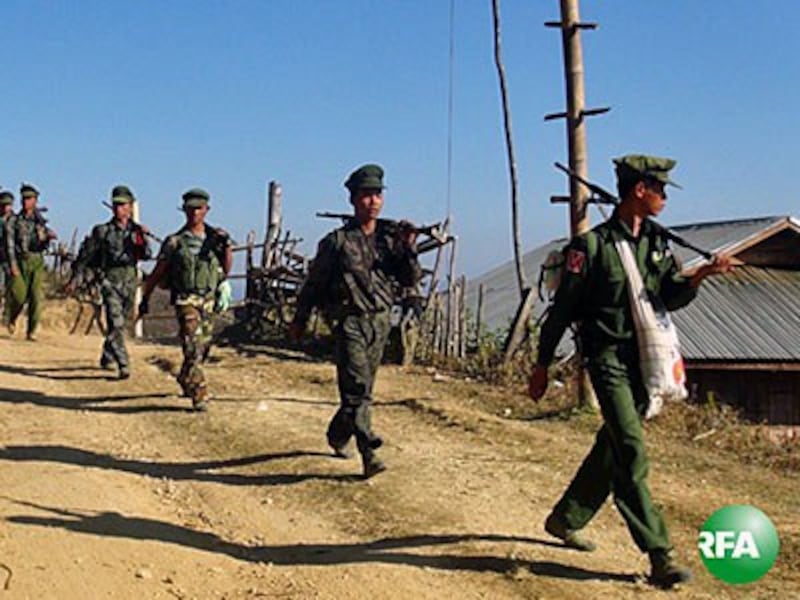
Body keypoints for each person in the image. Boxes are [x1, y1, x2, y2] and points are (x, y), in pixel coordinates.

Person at [528, 155, 732, 588]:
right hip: (607, 359)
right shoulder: (591, 248)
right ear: (639, 190)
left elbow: (668, 296)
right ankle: (660, 554)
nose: (663, 197)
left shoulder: (656, 244)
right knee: (632, 449)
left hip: (645, 358)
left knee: (616, 443)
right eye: (659, 189)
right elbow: (562, 310)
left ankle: (566, 517)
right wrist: (542, 364)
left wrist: (701, 276)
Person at [289, 164, 423, 479]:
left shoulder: (390, 239)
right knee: (358, 387)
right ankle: (369, 450)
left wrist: (409, 248)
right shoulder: (336, 242)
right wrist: (300, 319)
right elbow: (314, 284)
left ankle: (338, 434)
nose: (373, 201)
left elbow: (408, 278)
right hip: (348, 321)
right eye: (366, 195)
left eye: (377, 194)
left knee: (361, 390)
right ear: (352, 199)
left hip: (379, 322)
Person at [139, 188, 232, 411]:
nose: (194, 213)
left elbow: (225, 267)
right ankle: (200, 394)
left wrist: (227, 248)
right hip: (185, 300)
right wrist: (146, 297)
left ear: (206, 210)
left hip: (208, 300)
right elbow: (158, 273)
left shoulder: (216, 239)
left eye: (198, 208)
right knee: (192, 345)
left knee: (202, 349)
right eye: (190, 209)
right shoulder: (175, 242)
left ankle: (185, 376)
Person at [65, 185, 153, 379]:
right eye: (116, 205)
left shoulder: (136, 231)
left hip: (129, 280)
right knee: (116, 321)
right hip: (110, 280)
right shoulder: (102, 231)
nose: (118, 208)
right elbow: (86, 256)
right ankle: (124, 363)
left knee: (120, 323)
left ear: (130, 207)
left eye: (122, 205)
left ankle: (107, 355)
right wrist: (75, 278)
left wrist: (143, 238)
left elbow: (146, 255)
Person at [5, 183, 57, 341]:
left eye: (29, 198)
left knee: (36, 297)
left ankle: (31, 331)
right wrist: (13, 264)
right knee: (19, 295)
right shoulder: (14, 221)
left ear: (35, 201)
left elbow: (42, 243)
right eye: (24, 198)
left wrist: (48, 237)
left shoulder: (39, 222)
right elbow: (10, 244)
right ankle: (12, 317)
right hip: (20, 261)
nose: (25, 202)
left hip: (37, 261)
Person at [0, 190, 15, 310]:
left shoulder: (15, 220)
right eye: (3, 205)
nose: (5, 208)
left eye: (8, 205)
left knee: (12, 288)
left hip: (12, 259)